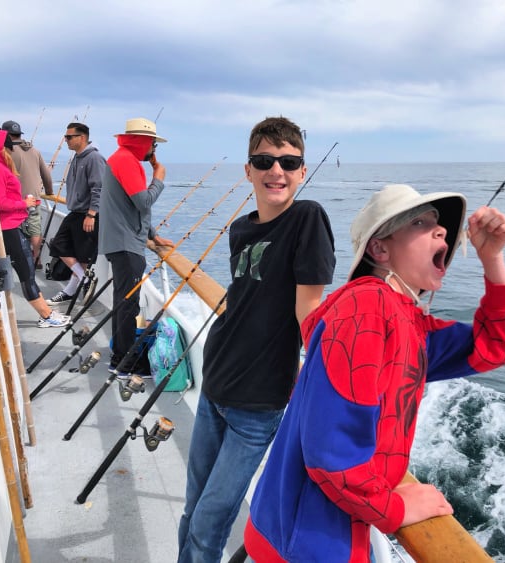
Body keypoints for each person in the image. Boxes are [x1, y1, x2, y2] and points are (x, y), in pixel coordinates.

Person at [243, 183, 505, 562]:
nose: (441, 230)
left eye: (439, 224)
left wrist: (492, 260)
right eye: (421, 222)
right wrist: (395, 510)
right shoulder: (367, 307)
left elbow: (499, 344)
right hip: (310, 545)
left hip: (317, 529)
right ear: (380, 249)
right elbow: (331, 453)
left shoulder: (409, 324)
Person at [177, 116, 336, 563]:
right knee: (192, 510)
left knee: (210, 524)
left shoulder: (307, 219)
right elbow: (245, 298)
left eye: (289, 162)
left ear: (302, 171)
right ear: (248, 170)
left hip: (258, 403)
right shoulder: (240, 229)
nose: (276, 171)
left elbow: (309, 313)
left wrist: (326, 382)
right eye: (264, 160)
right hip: (215, 384)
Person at [98, 117, 172, 377]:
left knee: (124, 302)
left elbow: (130, 206)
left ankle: (120, 357)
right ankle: (125, 364)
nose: (154, 150)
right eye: (154, 144)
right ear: (145, 142)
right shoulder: (127, 161)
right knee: (128, 305)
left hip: (123, 241)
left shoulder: (121, 158)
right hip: (126, 244)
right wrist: (159, 178)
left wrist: (153, 234)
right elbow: (143, 202)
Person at [0, 128, 70, 328]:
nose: (11, 150)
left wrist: (23, 202)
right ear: (0, 147)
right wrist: (25, 204)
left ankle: (46, 313)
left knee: (28, 270)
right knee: (26, 273)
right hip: (8, 228)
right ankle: (46, 316)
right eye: (8, 147)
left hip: (13, 225)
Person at [46, 122, 106, 305]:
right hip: (76, 211)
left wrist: (92, 214)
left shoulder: (94, 158)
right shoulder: (77, 158)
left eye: (69, 137)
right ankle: (84, 280)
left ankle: (71, 290)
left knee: (82, 256)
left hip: (87, 214)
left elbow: (99, 187)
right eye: (66, 137)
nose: (66, 140)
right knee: (58, 245)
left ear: (82, 137)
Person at [1, 120, 53, 262]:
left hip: (15, 200)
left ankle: (15, 258)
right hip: (34, 198)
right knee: (35, 228)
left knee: (13, 228)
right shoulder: (35, 151)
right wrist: (49, 191)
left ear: (6, 134)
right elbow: (46, 174)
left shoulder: (6, 152)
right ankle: (37, 259)